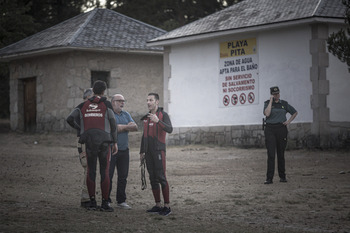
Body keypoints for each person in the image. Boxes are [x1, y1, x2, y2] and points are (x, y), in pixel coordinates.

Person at [67, 80, 118, 212]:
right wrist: (115, 141)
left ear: (93, 90)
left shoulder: (83, 105)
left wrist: (81, 129)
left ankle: (92, 202)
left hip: (89, 142)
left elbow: (69, 119)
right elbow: (113, 123)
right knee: (104, 171)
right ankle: (105, 203)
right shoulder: (107, 104)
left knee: (91, 171)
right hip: (105, 142)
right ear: (104, 91)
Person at [140, 93, 173, 216]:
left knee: (161, 177)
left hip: (159, 150)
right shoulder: (146, 117)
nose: (148, 102)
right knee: (152, 178)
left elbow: (170, 129)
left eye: (151, 100)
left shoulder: (163, 115)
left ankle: (167, 206)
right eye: (147, 100)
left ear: (157, 102)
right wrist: (141, 151)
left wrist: (158, 121)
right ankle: (158, 205)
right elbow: (144, 136)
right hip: (148, 152)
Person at [108, 94, 138, 210]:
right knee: (108, 176)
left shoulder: (126, 114)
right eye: (119, 101)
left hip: (124, 151)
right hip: (111, 150)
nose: (122, 103)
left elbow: (135, 127)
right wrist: (127, 126)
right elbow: (112, 129)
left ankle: (121, 201)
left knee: (123, 177)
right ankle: (107, 200)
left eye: (123, 101)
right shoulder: (109, 114)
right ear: (113, 102)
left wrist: (122, 127)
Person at [263, 86, 298, 184]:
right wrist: (270, 101)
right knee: (271, 154)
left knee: (281, 154)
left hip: (281, 129)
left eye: (277, 93)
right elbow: (267, 114)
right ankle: (269, 178)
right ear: (271, 95)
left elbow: (294, 112)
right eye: (274, 94)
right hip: (270, 129)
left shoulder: (284, 104)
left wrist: (288, 122)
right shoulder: (267, 103)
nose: (276, 95)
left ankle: (282, 176)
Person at [78, 88, 93, 208]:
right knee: (87, 168)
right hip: (83, 142)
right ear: (87, 97)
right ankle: (85, 199)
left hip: (90, 142)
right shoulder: (82, 108)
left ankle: (89, 196)